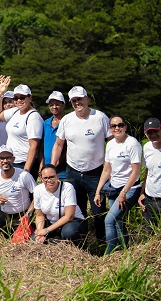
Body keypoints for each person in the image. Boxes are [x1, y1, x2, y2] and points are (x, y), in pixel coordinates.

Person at [51, 86, 111, 241]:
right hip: (73, 172)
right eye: (74, 100)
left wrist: (110, 166)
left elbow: (111, 142)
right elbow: (58, 145)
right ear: (71, 102)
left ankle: (101, 242)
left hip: (95, 172)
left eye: (80, 99)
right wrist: (52, 166)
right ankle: (82, 241)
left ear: (87, 99)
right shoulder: (67, 120)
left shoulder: (100, 117)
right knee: (77, 209)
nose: (78, 103)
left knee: (99, 210)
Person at [93, 116, 142, 254]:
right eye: (113, 126)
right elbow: (107, 169)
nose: (117, 128)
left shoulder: (132, 143)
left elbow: (136, 171)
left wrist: (124, 192)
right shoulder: (110, 144)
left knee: (109, 220)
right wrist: (98, 191)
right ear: (110, 128)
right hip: (114, 187)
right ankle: (125, 251)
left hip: (130, 188)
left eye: (120, 125)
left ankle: (109, 253)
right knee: (118, 221)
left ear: (125, 126)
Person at [0, 80, 43, 177]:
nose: (19, 100)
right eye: (16, 98)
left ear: (30, 98)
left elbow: (34, 146)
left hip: (23, 163)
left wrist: (26, 170)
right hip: (11, 161)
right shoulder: (15, 111)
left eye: (22, 97)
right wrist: (0, 93)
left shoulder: (33, 117)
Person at [0, 145, 36, 237]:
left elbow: (37, 195)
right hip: (3, 213)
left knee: (21, 235)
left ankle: (30, 226)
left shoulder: (24, 175)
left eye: (8, 158)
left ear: (13, 159)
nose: (5, 161)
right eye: (2, 158)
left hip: (22, 213)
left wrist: (28, 214)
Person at [34, 164, 87, 244]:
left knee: (69, 232)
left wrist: (46, 230)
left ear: (57, 177)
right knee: (34, 239)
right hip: (51, 222)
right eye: (45, 178)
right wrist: (40, 232)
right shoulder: (38, 190)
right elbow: (39, 215)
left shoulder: (67, 187)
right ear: (41, 179)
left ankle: (76, 244)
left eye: (52, 177)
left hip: (71, 221)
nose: (49, 180)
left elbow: (69, 216)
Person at [41, 91, 67, 179]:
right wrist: (42, 167)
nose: (54, 107)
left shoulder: (68, 122)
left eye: (57, 104)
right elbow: (41, 147)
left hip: (63, 172)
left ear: (63, 105)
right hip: (46, 171)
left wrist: (55, 165)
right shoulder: (45, 123)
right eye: (51, 105)